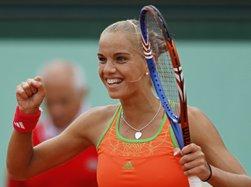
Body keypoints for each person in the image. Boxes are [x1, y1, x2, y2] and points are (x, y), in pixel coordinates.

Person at [7, 19, 251, 187]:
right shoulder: (95, 122)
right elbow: (22, 169)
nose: (108, 69)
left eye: (120, 58)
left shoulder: (190, 120)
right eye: (102, 59)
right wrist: (25, 117)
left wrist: (209, 172)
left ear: (149, 62)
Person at [7, 60, 98, 187]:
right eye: (49, 102)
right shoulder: (27, 139)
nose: (56, 111)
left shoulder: (102, 135)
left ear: (82, 93)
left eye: (64, 101)